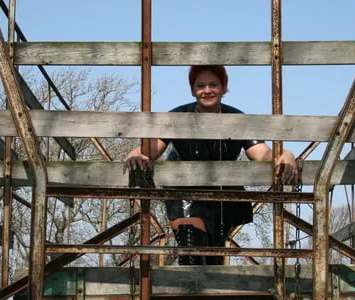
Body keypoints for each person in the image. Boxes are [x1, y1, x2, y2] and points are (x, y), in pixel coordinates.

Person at [124, 65, 298, 265]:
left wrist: (285, 153)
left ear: (224, 88)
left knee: (213, 256)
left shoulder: (237, 119)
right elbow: (152, 148)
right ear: (192, 90)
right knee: (190, 250)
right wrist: (137, 153)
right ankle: (191, 288)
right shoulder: (178, 116)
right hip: (183, 192)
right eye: (200, 85)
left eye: (213, 84)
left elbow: (261, 154)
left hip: (222, 197)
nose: (207, 90)